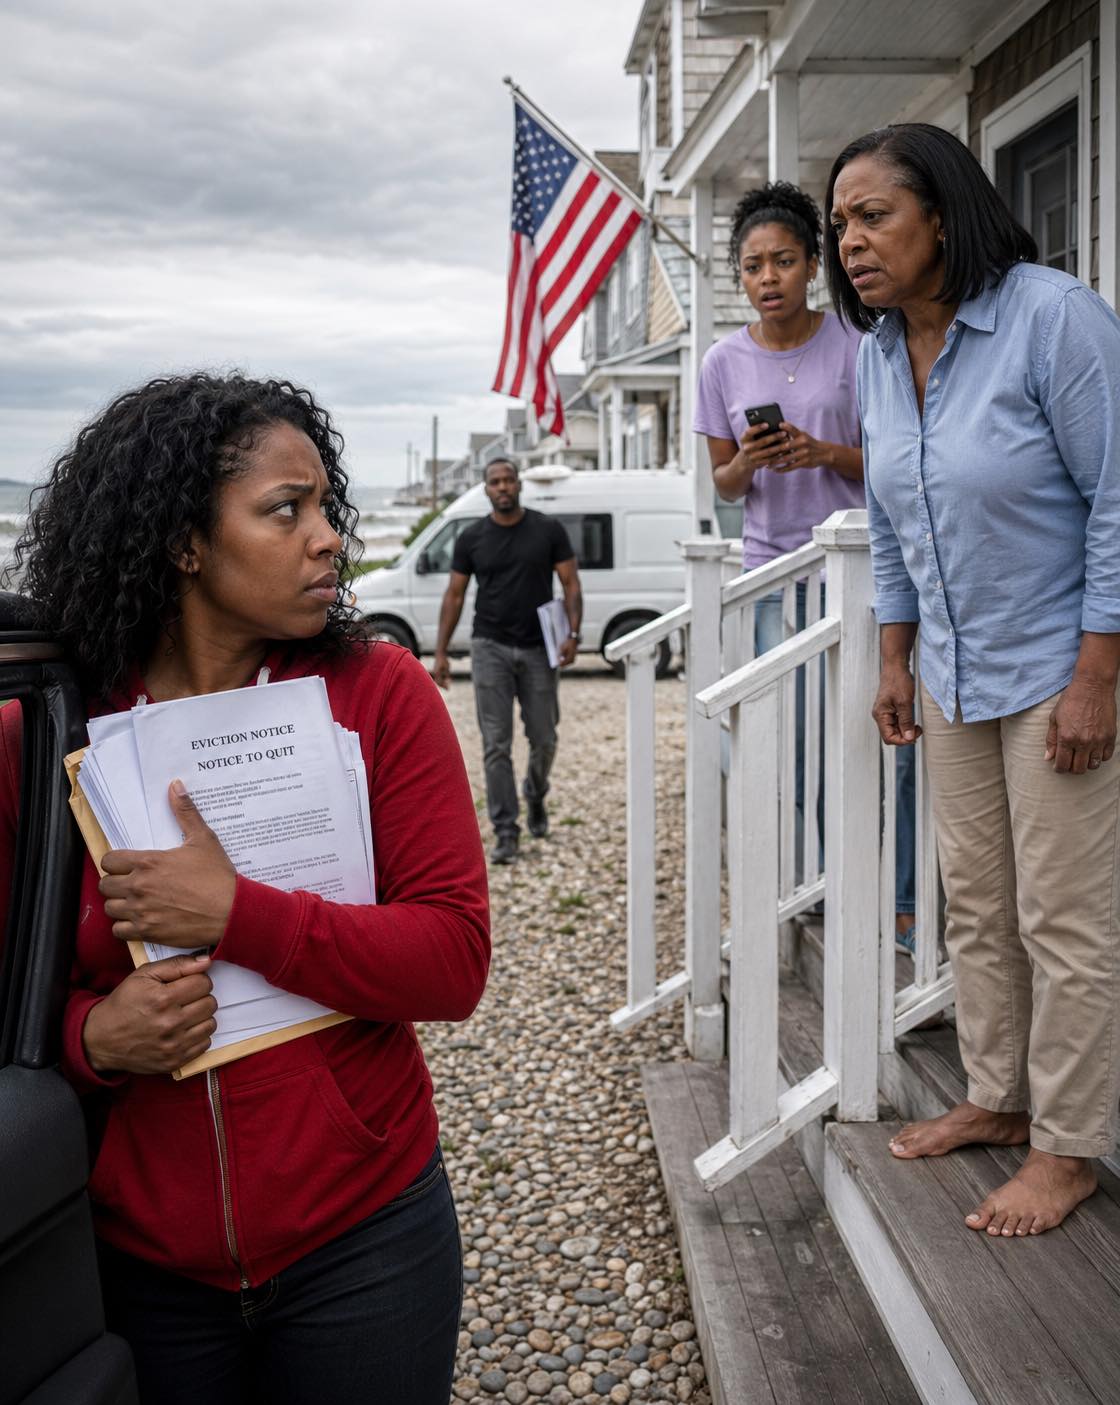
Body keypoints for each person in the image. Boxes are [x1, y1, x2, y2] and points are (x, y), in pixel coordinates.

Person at [0, 372, 490, 1402]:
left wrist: (236, 914)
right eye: (285, 509)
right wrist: (93, 1038)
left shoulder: (380, 695)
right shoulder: (44, 731)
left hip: (365, 1238)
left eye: (325, 507)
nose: (328, 538)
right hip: (139, 1261)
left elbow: (450, 961)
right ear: (183, 540)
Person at [827, 122, 1120, 1236]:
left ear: (941, 214)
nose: (848, 242)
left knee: (1065, 916)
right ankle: (998, 1096)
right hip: (952, 669)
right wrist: (895, 656)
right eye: (838, 224)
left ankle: (1068, 1144)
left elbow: (1114, 503)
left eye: (872, 216)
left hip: (1058, 665)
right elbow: (896, 522)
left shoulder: (1052, 317)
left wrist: (1097, 675)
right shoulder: (874, 351)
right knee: (979, 906)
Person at [694, 181, 916, 934]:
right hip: (771, 578)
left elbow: (893, 459)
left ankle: (893, 891)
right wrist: (753, 460)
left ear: (812, 264)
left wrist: (822, 452)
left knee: (858, 734)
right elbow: (723, 482)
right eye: (753, 266)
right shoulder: (721, 363)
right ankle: (811, 888)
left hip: (855, 576)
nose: (768, 279)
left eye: (783, 261)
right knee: (787, 745)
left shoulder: (859, 344)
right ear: (740, 276)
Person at [432, 458, 581, 865]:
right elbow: (455, 595)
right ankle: (505, 829)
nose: (502, 487)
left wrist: (573, 633)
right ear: (486, 489)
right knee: (496, 745)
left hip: (538, 648)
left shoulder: (547, 530)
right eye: (495, 482)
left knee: (545, 736)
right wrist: (441, 652)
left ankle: (535, 793)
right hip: (490, 647)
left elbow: (570, 584)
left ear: (519, 485)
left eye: (508, 480)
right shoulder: (472, 538)